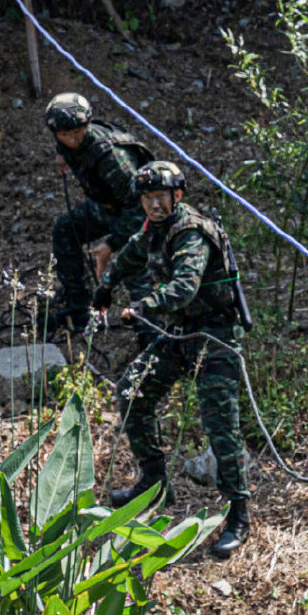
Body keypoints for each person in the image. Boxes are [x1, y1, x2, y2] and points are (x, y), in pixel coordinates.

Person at [92, 160, 252, 561]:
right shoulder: (154, 228)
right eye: (147, 198)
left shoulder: (190, 232)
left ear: (176, 196)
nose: (153, 205)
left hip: (214, 336)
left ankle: (238, 514)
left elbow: (182, 288)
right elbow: (129, 255)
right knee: (133, 390)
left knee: (220, 426)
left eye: (159, 197)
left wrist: (144, 305)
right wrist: (106, 288)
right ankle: (154, 482)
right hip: (181, 334)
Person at [42, 92, 154, 335]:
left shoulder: (110, 157)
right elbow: (65, 140)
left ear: (88, 125)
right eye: (65, 135)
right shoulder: (67, 137)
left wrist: (111, 244)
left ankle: (152, 339)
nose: (72, 139)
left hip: (139, 215)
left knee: (134, 268)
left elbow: (139, 209)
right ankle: (79, 310)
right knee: (65, 230)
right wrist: (62, 154)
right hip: (106, 207)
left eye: (77, 133)